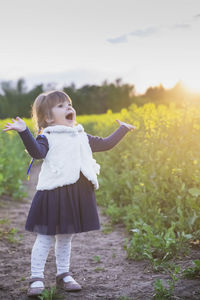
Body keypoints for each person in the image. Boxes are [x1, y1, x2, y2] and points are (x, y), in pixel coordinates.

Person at [3, 90, 135, 297]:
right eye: (61, 106)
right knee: (45, 237)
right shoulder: (48, 136)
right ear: (48, 117)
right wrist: (24, 131)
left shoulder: (80, 135)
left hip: (75, 193)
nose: (68, 108)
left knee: (66, 237)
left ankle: (63, 274)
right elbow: (37, 153)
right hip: (52, 193)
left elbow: (105, 144)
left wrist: (123, 129)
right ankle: (36, 277)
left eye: (69, 104)